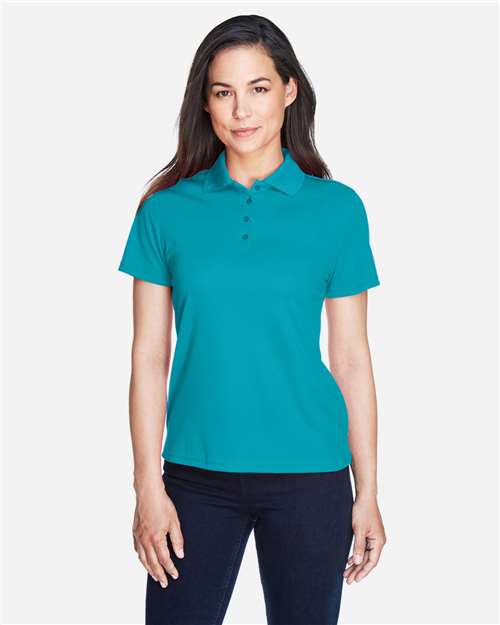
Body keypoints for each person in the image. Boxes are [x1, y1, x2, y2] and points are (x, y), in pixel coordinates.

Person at [118, 13, 387, 625]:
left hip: (312, 474)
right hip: (194, 477)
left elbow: (351, 357)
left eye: (258, 88)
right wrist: (147, 486)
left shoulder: (338, 209)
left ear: (289, 91)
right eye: (223, 92)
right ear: (205, 103)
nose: (241, 110)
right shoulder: (165, 212)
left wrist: (368, 490)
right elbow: (149, 357)